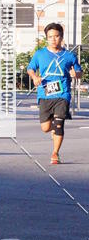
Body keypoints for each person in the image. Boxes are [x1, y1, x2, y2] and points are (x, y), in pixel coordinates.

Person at [27, 23, 81, 165]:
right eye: (50, 37)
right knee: (45, 128)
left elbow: (79, 71)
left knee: (59, 124)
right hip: (45, 94)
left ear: (61, 37)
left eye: (56, 36)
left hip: (62, 93)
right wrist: (34, 77)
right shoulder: (40, 54)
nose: (53, 39)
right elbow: (30, 68)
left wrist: (76, 73)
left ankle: (55, 153)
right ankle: (54, 129)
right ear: (47, 38)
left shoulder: (69, 56)